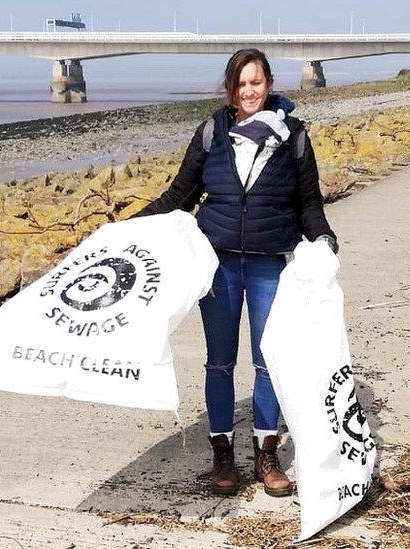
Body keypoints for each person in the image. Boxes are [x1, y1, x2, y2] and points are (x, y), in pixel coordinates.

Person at [133, 48, 337, 497]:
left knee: (269, 362)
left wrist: (325, 240)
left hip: (269, 264)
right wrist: (125, 229)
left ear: (269, 84)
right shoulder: (211, 132)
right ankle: (222, 452)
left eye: (257, 82)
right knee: (220, 361)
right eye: (242, 84)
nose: (249, 91)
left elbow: (308, 203)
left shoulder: (294, 137)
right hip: (219, 265)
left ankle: (266, 451)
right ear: (232, 87)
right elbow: (178, 197)